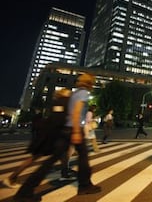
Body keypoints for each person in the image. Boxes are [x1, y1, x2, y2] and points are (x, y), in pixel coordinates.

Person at [13, 73, 101, 202]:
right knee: (83, 157)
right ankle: (84, 185)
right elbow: (76, 112)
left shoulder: (75, 93)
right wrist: (77, 131)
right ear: (89, 83)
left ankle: (25, 191)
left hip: (66, 129)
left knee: (51, 161)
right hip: (74, 129)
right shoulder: (83, 93)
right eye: (93, 82)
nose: (94, 84)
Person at [3, 89, 75, 189]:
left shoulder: (58, 102)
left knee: (61, 156)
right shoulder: (62, 102)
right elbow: (58, 119)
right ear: (62, 94)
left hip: (51, 135)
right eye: (67, 92)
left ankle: (65, 173)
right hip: (50, 136)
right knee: (35, 158)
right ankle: (13, 178)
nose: (70, 92)